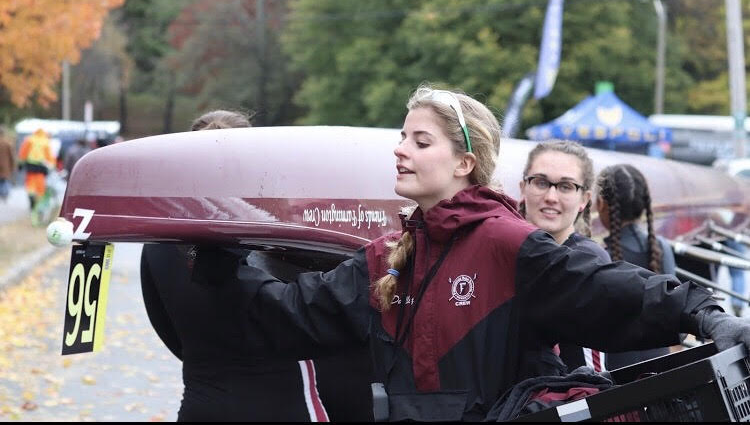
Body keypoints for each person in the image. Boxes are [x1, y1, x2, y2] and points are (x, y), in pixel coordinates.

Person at [210, 85, 750, 422]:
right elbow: (291, 314)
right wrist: (221, 261)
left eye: (420, 142)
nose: (399, 149)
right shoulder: (388, 260)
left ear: (465, 163)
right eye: (402, 138)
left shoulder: (506, 243)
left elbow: (611, 288)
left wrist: (703, 312)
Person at [140, 109, 373, 422]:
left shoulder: (158, 242)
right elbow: (316, 314)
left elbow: (168, 329)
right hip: (285, 405)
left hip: (202, 405)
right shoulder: (278, 235)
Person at [519, 140, 610, 374]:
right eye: (540, 182)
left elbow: (591, 373)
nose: (551, 196)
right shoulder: (503, 252)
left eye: (566, 186)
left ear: (584, 199)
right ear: (522, 188)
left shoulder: (588, 261)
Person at [595, 163, 679, 370]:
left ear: (601, 204)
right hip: (662, 360)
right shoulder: (661, 247)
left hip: (618, 367)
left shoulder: (600, 254)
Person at [17, 128, 55, 210]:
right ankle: (37, 204)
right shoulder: (46, 141)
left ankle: (31, 197)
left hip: (30, 166)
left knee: (30, 184)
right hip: (41, 167)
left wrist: (20, 164)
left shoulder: (30, 139)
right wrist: (52, 166)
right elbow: (49, 156)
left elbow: (23, 152)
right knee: (40, 186)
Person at [0, 126, 15, 202]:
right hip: (5, 166)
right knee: (4, 181)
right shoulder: (7, 143)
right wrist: (12, 166)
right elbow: (11, 156)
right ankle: (4, 195)